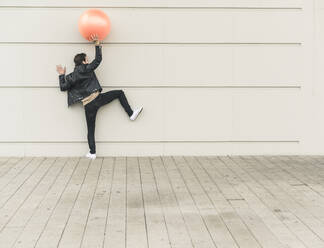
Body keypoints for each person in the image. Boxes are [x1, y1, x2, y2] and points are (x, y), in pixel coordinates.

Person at [56, 34, 143, 160]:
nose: (88, 60)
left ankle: (92, 153)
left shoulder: (71, 76)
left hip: (88, 106)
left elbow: (63, 87)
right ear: (84, 61)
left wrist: (61, 75)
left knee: (90, 129)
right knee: (119, 93)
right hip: (97, 98)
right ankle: (131, 114)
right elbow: (98, 60)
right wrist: (97, 44)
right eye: (86, 59)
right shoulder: (86, 68)